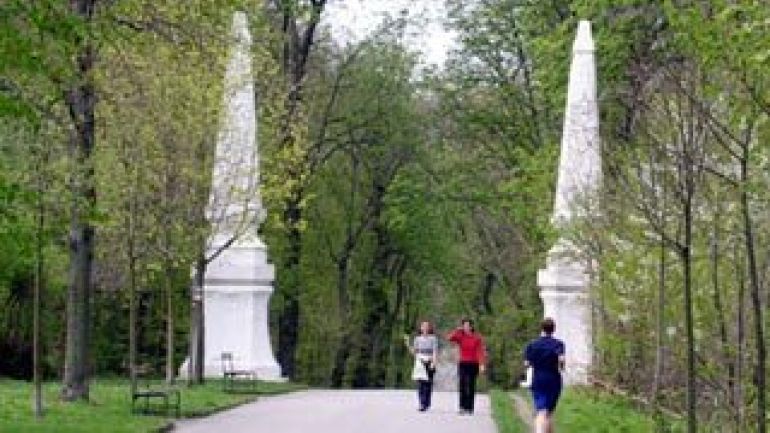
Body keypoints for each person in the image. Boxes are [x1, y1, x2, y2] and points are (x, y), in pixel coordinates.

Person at [524, 317, 565, 433]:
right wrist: (562, 367)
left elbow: (527, 364)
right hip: (554, 379)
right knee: (549, 412)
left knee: (541, 411)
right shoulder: (558, 344)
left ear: (542, 328)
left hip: (538, 379)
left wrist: (535, 362)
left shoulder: (532, 345)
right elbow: (561, 360)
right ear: (554, 329)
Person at [446, 318, 486, 415]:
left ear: (471, 327)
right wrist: (457, 330)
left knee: (471, 385)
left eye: (468, 325)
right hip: (463, 363)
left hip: (473, 363)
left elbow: (480, 351)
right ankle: (462, 407)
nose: (466, 327)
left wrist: (481, 364)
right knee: (462, 385)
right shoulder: (460, 336)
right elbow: (449, 338)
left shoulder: (477, 337)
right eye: (464, 325)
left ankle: (470, 407)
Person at [404, 321, 438, 412]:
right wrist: (408, 344)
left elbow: (435, 351)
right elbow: (414, 352)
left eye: (427, 326)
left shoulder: (433, 339)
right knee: (421, 384)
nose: (425, 328)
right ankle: (422, 403)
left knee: (428, 383)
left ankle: (427, 402)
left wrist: (433, 362)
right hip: (420, 362)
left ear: (429, 328)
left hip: (429, 361)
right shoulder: (417, 339)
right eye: (423, 326)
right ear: (421, 328)